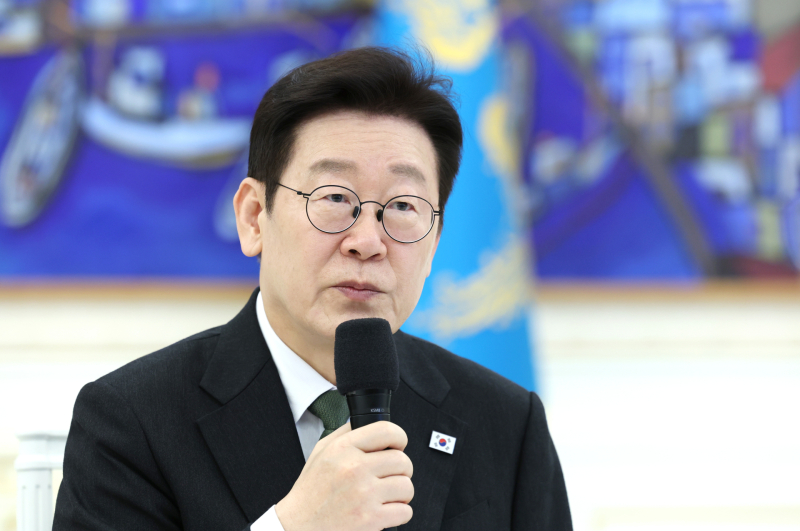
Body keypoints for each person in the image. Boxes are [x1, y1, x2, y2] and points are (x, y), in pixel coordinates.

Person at [53, 47, 571, 531]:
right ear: (253, 217)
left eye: (403, 206)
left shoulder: (506, 423)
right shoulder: (131, 421)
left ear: (434, 241)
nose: (367, 242)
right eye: (335, 197)